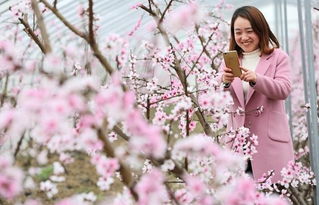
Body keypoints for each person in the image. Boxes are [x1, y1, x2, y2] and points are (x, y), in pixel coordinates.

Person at [220, 6, 294, 182]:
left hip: (269, 145)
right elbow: (216, 100)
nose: (243, 37)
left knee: (272, 197)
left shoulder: (278, 57)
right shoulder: (230, 61)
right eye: (238, 32)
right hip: (237, 146)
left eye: (249, 31)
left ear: (261, 30)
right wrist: (224, 82)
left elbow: (284, 89)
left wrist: (256, 79)